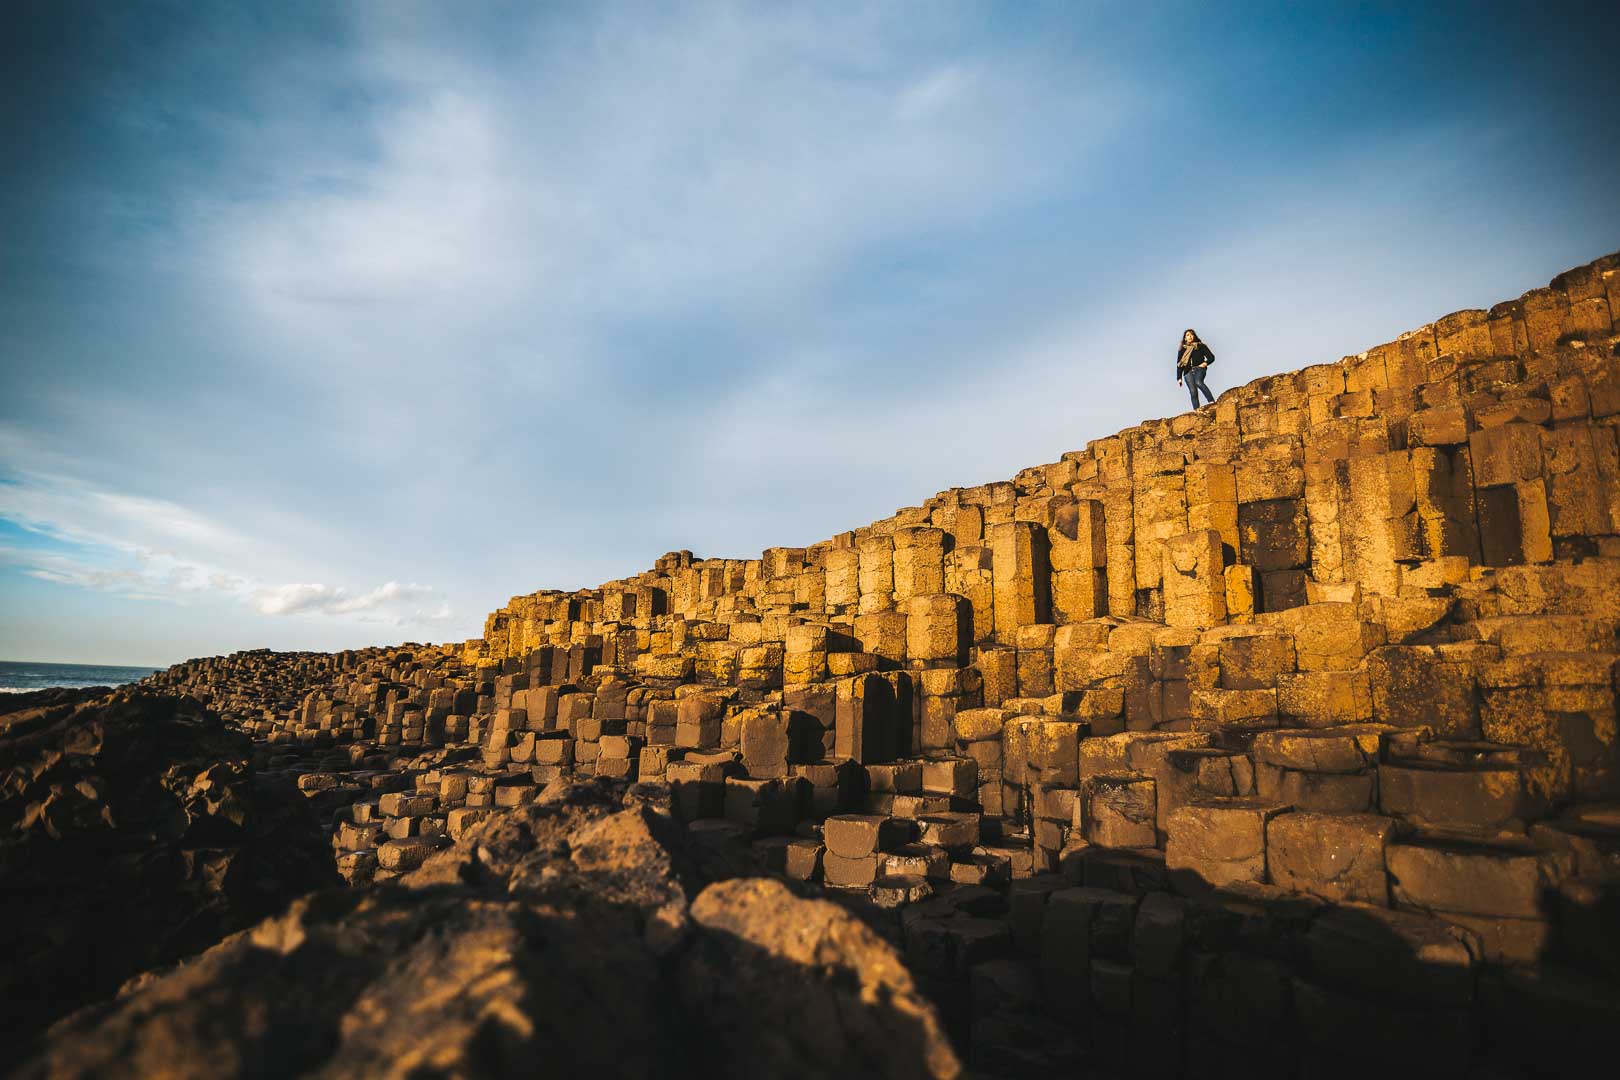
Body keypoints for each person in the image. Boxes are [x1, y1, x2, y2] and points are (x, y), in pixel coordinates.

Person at [1176, 328, 1215, 409]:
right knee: (1193, 391)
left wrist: (1205, 363)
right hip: (1187, 372)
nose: (1190, 336)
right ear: (1185, 338)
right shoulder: (1182, 350)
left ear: (1194, 336)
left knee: (1198, 382)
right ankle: (1196, 410)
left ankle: (1211, 402)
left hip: (1199, 369)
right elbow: (1179, 365)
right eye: (1187, 335)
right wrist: (1179, 378)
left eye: (1191, 334)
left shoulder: (1201, 346)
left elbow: (1211, 357)